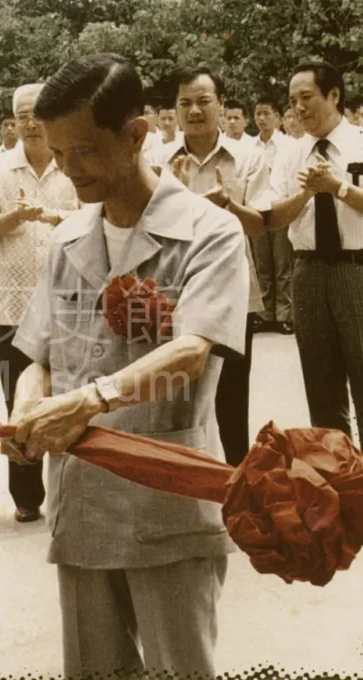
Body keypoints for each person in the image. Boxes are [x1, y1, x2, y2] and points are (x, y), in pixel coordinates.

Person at [11, 53, 247, 679]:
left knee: (180, 669)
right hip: (82, 505)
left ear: (137, 134)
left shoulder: (210, 233)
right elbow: (36, 352)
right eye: (58, 154)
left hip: (164, 500)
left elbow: (193, 352)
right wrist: (25, 410)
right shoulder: (67, 240)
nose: (67, 171)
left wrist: (87, 399)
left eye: (82, 152)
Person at [149, 66, 271, 467]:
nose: (195, 110)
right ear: (175, 109)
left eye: (204, 101)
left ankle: (237, 495)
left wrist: (228, 206)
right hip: (171, 293)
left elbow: (259, 226)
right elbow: (145, 227)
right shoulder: (157, 160)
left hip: (233, 293)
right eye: (185, 103)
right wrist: (178, 199)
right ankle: (180, 493)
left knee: (232, 401)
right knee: (174, 400)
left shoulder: (249, 157)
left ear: (222, 105)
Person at [0, 83, 79, 523]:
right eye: (22, 115)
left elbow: (99, 215)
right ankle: (26, 497)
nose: (31, 122)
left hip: (70, 304)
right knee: (18, 401)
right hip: (13, 307)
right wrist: (15, 216)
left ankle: (74, 493)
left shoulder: (72, 159)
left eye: (37, 113)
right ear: (13, 122)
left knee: (72, 395)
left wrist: (56, 217)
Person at [266, 61, 363, 446]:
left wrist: (336, 187)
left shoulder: (359, 143)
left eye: (307, 97)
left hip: (356, 271)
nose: (298, 109)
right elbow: (275, 216)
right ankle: (338, 480)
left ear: (334, 96)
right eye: (292, 101)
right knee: (321, 387)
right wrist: (305, 193)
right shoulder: (292, 154)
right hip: (306, 272)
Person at [252, 95, 295, 334]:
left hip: (279, 208)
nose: (262, 118)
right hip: (257, 211)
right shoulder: (250, 146)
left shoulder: (289, 146)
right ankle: (265, 313)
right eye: (258, 113)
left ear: (278, 118)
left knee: (282, 263)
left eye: (267, 113)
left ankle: (285, 314)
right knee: (262, 264)